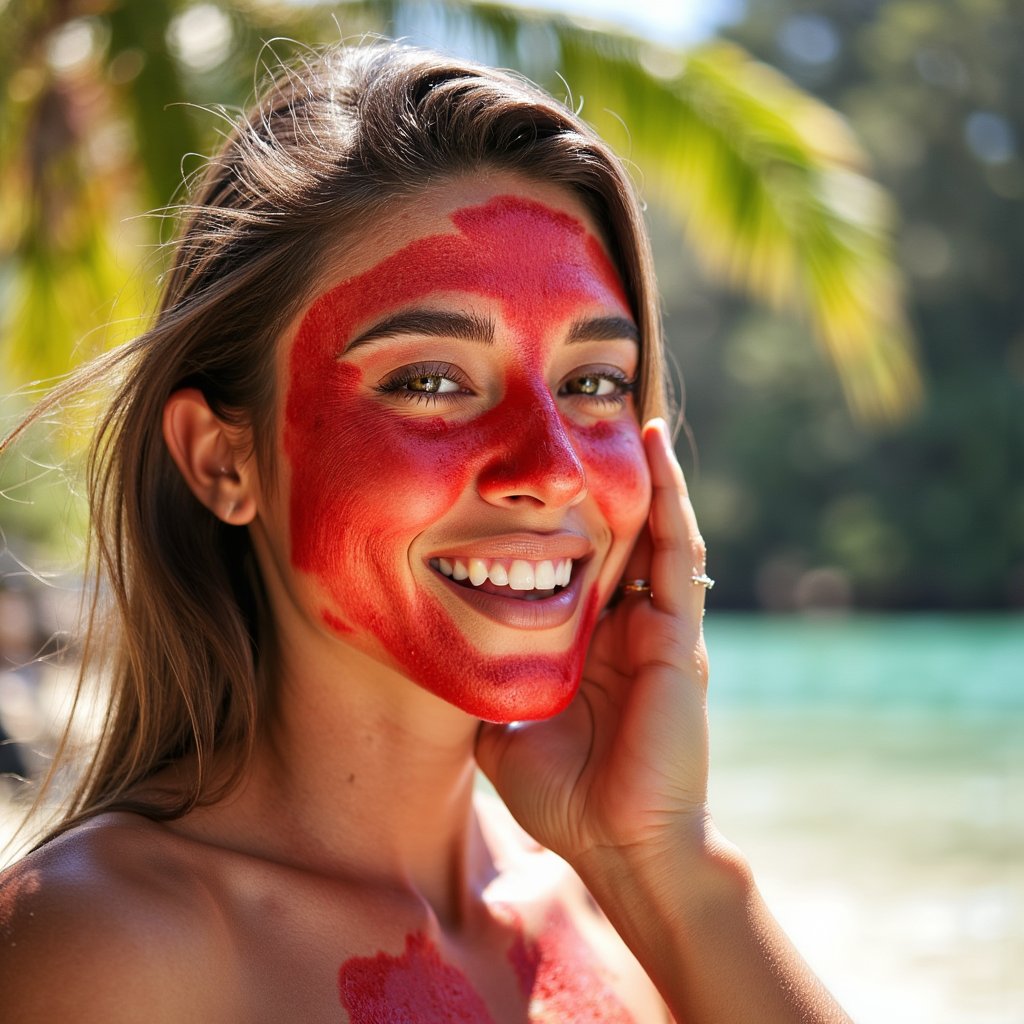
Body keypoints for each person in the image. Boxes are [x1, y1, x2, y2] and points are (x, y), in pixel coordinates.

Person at [0, 41, 851, 1023]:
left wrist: (664, 861)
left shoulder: (635, 920)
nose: (553, 468)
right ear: (221, 459)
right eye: (433, 381)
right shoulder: (106, 950)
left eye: (593, 384)